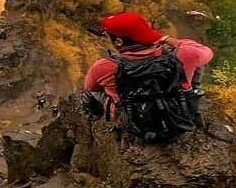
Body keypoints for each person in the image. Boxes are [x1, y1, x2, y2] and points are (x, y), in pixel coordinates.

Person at [82, 12, 213, 141]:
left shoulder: (104, 66)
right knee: (195, 65)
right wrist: (162, 38)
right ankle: (190, 93)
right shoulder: (182, 55)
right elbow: (207, 52)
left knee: (89, 93)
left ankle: (99, 121)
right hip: (177, 117)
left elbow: (91, 87)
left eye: (107, 36)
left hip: (136, 124)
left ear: (118, 42)